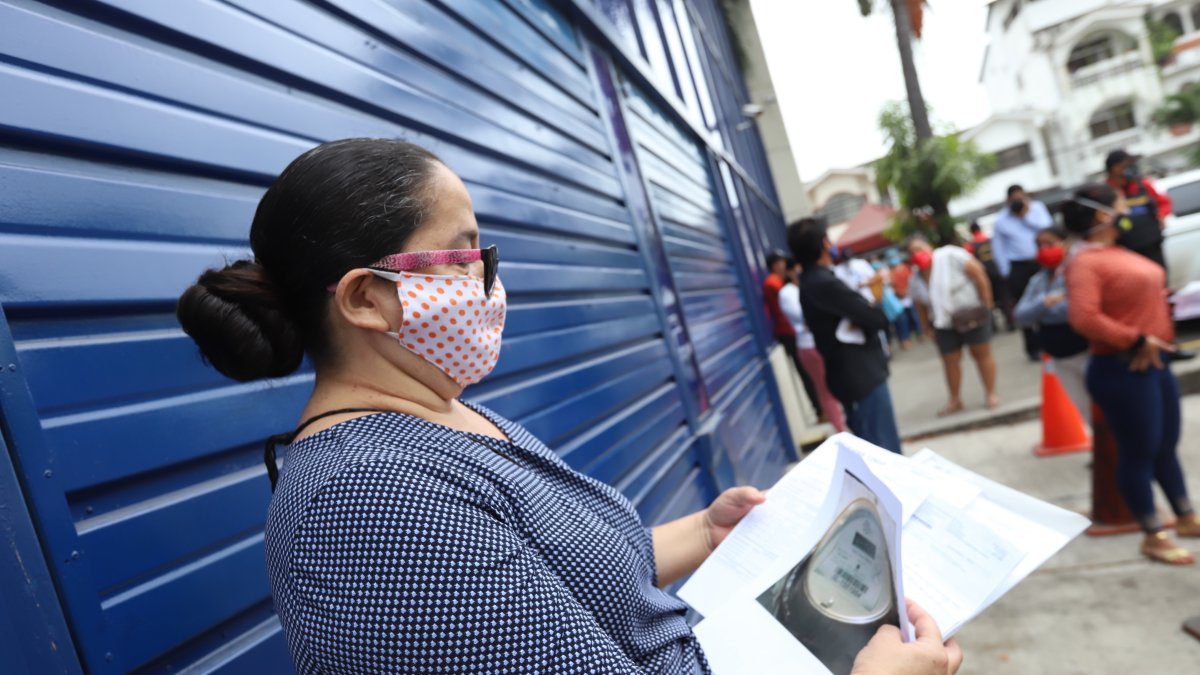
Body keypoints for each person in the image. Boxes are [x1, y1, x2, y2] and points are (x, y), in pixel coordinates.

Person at [174, 139, 962, 673]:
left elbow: (555, 572)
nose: (492, 282)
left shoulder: (437, 417)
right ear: (367, 299)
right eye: (470, 253)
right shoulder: (368, 502)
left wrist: (705, 531)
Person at [1062, 183, 1199, 565]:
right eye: (1121, 205)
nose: (1129, 209)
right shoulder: (1084, 262)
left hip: (1154, 365)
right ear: (1101, 215)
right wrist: (1136, 339)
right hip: (1123, 369)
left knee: (1165, 445)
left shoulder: (1114, 251)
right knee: (1139, 452)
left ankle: (1185, 516)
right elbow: (1084, 317)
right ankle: (1153, 533)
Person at [788, 218, 904, 454]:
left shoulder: (814, 281)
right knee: (885, 457)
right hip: (860, 378)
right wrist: (875, 298)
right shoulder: (821, 282)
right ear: (823, 243)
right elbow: (875, 318)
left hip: (853, 377)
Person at [908, 236, 999, 415]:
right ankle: (955, 400)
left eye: (920, 248)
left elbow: (979, 275)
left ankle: (990, 394)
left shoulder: (951, 256)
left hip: (972, 315)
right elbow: (920, 307)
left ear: (930, 246)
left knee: (981, 354)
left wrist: (987, 305)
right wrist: (926, 329)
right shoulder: (916, 279)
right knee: (950, 361)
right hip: (943, 323)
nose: (917, 254)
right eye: (912, 252)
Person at [1013, 226, 1090, 426]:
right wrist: (1045, 302)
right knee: (1084, 409)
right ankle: (1104, 454)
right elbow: (1021, 315)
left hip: (1086, 350)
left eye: (1050, 243)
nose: (1045, 249)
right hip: (1058, 356)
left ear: (1066, 243)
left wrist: (1041, 310)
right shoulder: (1038, 280)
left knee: (1102, 405)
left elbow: (1073, 309)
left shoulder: (1078, 270)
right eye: (1040, 245)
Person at [778, 260, 848, 432]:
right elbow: (804, 317)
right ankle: (842, 430)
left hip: (823, 341)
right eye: (796, 268)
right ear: (790, 272)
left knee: (838, 385)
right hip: (809, 344)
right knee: (825, 389)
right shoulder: (788, 293)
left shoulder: (806, 288)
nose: (800, 271)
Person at [992, 185, 1052, 361]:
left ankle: (1049, 342)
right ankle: (1032, 348)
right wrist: (1006, 271)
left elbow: (1047, 230)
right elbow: (998, 248)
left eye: (1021, 198)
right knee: (1023, 306)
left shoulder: (1037, 209)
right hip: (1018, 267)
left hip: (1041, 261)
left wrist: (1025, 217)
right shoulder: (1001, 220)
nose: (1018, 202)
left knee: (1048, 301)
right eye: (1014, 200)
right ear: (1008, 200)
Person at [765, 251, 823, 421]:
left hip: (795, 332)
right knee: (806, 374)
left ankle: (821, 408)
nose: (784, 266)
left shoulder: (781, 283)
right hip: (789, 333)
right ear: (775, 265)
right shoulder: (774, 283)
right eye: (781, 263)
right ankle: (819, 410)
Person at [1103, 149, 1172, 270]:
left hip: (1153, 243)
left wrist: (1161, 216)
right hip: (1127, 250)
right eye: (1126, 165)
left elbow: (1163, 202)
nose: (1131, 168)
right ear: (1115, 168)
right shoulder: (1105, 192)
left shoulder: (1142, 184)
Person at [969, 221, 1014, 332]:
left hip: (984, 275)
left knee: (987, 300)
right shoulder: (991, 240)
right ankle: (1011, 322)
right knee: (1005, 298)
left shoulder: (970, 245)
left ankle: (992, 326)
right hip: (998, 271)